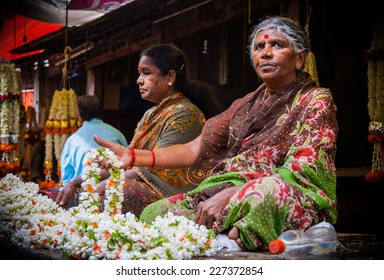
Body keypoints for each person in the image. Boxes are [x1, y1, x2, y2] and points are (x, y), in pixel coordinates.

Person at [93, 16, 339, 251]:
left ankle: (232, 235)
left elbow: (304, 168)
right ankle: (230, 235)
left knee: (260, 196)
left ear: (299, 59)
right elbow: (193, 149)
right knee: (155, 213)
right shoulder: (244, 106)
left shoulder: (315, 100)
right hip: (231, 187)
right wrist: (133, 156)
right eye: (259, 46)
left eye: (277, 45)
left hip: (284, 192)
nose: (265, 52)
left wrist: (236, 192)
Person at [56, 43, 224, 216]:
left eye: (146, 72)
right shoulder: (151, 114)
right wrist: (79, 181)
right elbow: (128, 161)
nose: (139, 80)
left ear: (170, 77)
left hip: (170, 193)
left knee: (115, 190)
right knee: (91, 189)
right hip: (145, 182)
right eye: (139, 73)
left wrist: (108, 182)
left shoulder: (186, 113)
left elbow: (154, 167)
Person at [58, 95, 128, 203]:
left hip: (83, 199)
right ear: (100, 112)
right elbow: (128, 164)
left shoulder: (73, 140)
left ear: (79, 116)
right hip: (114, 198)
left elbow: (67, 179)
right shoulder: (117, 135)